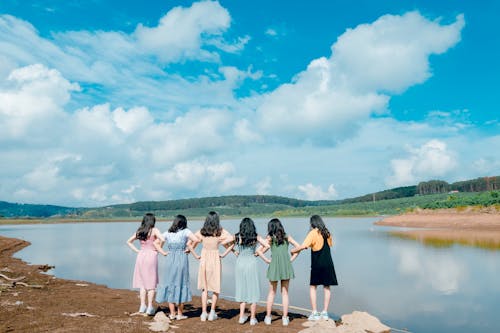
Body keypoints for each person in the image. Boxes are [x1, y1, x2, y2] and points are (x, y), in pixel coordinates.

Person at [291, 215, 338, 321]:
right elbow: (330, 244)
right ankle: (325, 312)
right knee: (327, 287)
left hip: (317, 264)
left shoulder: (313, 233)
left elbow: (303, 246)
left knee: (313, 287)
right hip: (328, 264)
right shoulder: (327, 232)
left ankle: (315, 312)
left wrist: (293, 251)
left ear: (313, 223)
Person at [190, 211, 233, 322]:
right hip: (215, 258)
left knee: (205, 288)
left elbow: (191, 242)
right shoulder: (220, 231)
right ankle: (212, 312)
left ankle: (204, 313)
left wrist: (195, 255)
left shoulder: (201, 231)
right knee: (215, 287)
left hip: (204, 257)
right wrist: (226, 250)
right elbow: (232, 238)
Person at [155, 214, 199, 320]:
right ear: (184, 222)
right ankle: (179, 314)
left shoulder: (167, 232)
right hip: (182, 258)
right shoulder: (186, 231)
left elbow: (156, 243)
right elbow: (196, 239)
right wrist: (190, 248)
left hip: (170, 259)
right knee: (181, 283)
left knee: (170, 283)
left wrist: (163, 252)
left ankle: (172, 314)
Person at [258, 218, 300, 326]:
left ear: (271, 228)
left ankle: (268, 317)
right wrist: (291, 259)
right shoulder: (287, 237)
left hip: (274, 267)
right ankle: (285, 318)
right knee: (285, 293)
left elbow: (259, 250)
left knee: (271, 292)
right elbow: (298, 247)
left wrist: (265, 259)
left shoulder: (270, 238)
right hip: (286, 266)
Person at [230, 217, 269, 326]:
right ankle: (252, 318)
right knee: (253, 289)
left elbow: (224, 242)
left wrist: (234, 251)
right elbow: (267, 245)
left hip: (240, 263)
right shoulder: (255, 236)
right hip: (251, 263)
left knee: (242, 288)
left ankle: (241, 317)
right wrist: (258, 253)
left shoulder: (237, 236)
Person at [126, 213, 165, 315]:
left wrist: (137, 251)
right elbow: (163, 239)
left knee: (142, 282)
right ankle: (150, 307)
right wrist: (158, 248)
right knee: (151, 284)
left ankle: (142, 306)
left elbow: (129, 242)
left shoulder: (140, 230)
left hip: (141, 255)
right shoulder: (155, 230)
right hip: (151, 255)